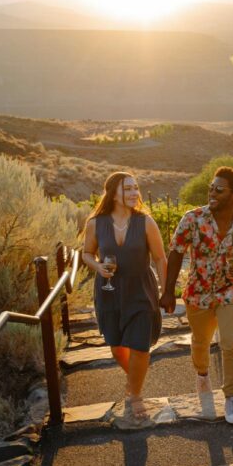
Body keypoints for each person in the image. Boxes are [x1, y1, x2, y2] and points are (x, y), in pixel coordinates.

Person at [160, 166, 233, 425]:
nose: (211, 193)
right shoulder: (192, 219)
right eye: (210, 188)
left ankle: (230, 397)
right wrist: (168, 291)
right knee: (201, 341)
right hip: (198, 292)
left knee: (231, 343)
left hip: (232, 292)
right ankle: (202, 375)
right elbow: (176, 252)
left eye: (219, 189)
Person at [81, 172, 167, 421]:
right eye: (127, 189)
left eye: (135, 188)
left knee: (140, 345)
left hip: (141, 288)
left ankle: (135, 395)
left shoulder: (146, 222)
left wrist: (166, 291)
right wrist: (97, 267)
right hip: (109, 291)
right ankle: (134, 380)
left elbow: (161, 258)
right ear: (113, 193)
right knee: (117, 348)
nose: (134, 193)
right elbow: (87, 253)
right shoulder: (96, 223)